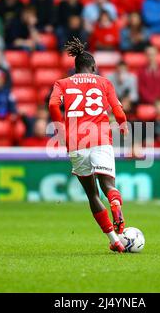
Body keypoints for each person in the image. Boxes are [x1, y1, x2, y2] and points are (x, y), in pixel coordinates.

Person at [48, 38, 129, 253]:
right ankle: (117, 208)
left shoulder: (62, 83)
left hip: (76, 142)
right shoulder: (104, 82)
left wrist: (60, 129)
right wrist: (123, 125)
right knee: (109, 186)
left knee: (92, 194)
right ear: (93, 67)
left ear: (75, 67)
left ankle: (115, 240)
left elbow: (52, 104)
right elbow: (119, 112)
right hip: (100, 138)